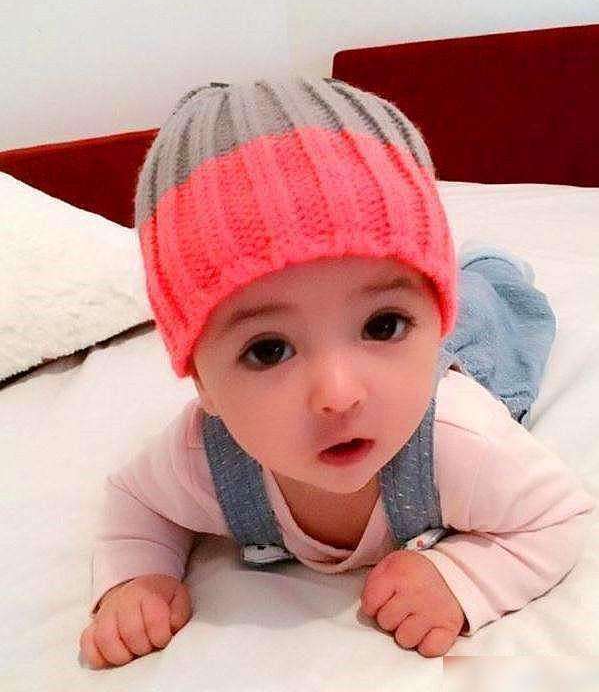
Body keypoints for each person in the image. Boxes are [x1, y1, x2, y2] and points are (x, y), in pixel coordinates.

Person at [79, 77, 596, 667]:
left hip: (470, 348)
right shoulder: (202, 460)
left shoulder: (460, 440)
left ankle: (481, 266)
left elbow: (560, 516)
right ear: (200, 382)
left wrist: (462, 576)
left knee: (498, 304)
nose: (339, 394)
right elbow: (135, 502)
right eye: (268, 350)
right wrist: (138, 576)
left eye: (384, 325)